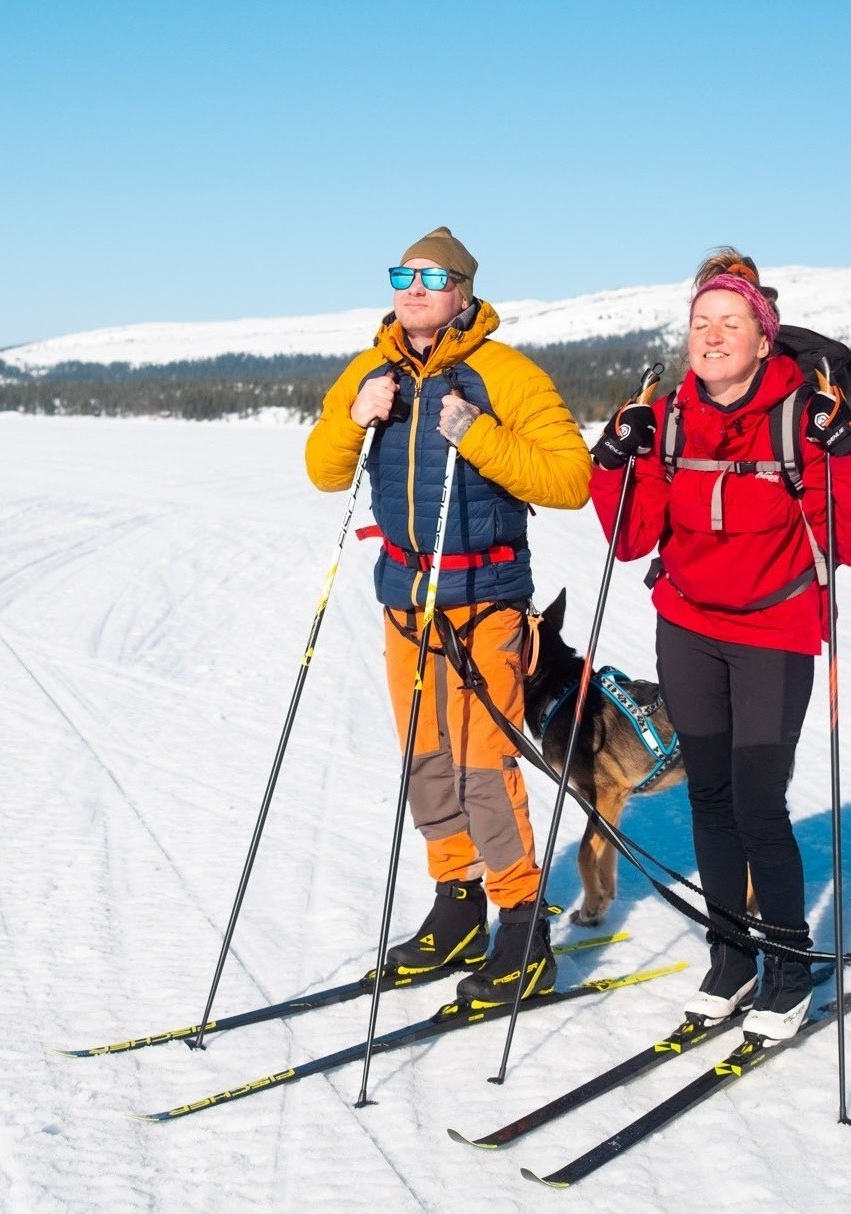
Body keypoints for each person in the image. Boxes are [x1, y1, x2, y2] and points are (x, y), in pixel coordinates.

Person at [587, 250, 851, 1040]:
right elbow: (630, 536)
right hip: (686, 625)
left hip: (773, 631)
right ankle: (729, 958)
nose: (713, 337)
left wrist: (847, 458)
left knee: (757, 803)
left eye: (732, 324)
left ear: (764, 339)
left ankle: (786, 965)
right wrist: (613, 461)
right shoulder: (669, 417)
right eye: (701, 324)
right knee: (708, 796)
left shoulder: (802, 417)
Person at [305, 227, 592, 1007]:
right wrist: (354, 417)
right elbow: (324, 470)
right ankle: (455, 906)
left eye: (433, 276)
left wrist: (478, 433)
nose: (414, 286)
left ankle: (522, 925)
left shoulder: (506, 375)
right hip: (406, 601)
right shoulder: (369, 371)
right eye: (403, 273)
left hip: (485, 603)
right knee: (426, 760)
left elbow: (571, 481)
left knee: (481, 765)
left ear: (464, 291)